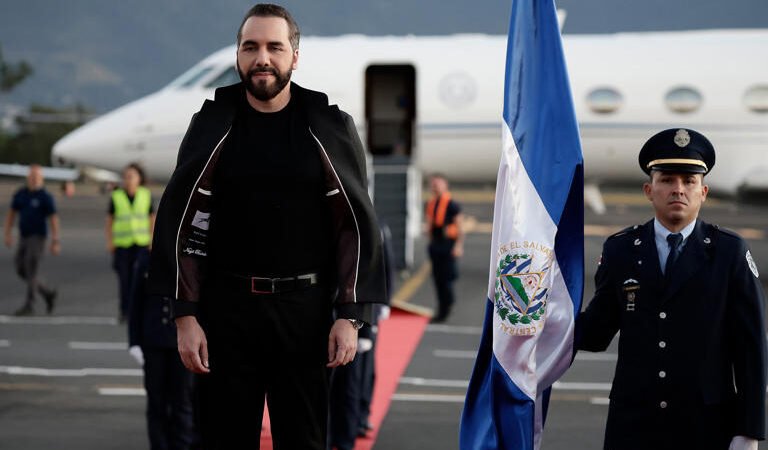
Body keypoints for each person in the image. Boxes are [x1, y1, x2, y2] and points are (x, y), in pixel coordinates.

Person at [147, 4, 388, 449]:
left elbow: (352, 226)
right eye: (250, 47)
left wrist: (351, 316)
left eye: (275, 47)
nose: (263, 58)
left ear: (294, 56)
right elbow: (185, 226)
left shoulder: (329, 126)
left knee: (304, 440)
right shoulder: (210, 126)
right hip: (225, 314)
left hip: (306, 313)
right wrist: (185, 316)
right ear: (238, 56)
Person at [577, 128, 766, 450]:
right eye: (667, 180)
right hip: (635, 425)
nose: (678, 189)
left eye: (688, 181)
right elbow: (596, 332)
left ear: (703, 192)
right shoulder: (621, 250)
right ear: (649, 190)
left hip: (706, 425)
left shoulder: (728, 252)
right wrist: (532, 318)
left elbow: (751, 349)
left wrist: (748, 431)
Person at [129, 264, 197, 450]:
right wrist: (134, 341)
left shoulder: (189, 259)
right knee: (156, 401)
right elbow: (135, 303)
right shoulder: (146, 261)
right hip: (154, 342)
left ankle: (181, 445)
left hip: (182, 342)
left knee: (182, 400)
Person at [3, 164, 59, 316]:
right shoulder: (21, 194)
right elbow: (11, 213)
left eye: (37, 177)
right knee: (21, 268)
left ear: (42, 179)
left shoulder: (45, 197)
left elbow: (53, 218)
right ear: (28, 178)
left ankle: (30, 304)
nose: (34, 179)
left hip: (37, 237)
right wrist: (7, 233)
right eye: (32, 176)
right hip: (24, 236)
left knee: (31, 267)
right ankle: (47, 292)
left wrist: (55, 240)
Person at [106, 163, 155, 323]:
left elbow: (152, 218)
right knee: (124, 279)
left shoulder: (145, 195)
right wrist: (110, 241)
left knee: (140, 279)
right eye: (126, 176)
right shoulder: (116, 196)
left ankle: (140, 311)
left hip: (141, 244)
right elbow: (110, 221)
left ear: (139, 179)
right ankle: (125, 311)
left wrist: (152, 239)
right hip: (122, 244)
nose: (128, 180)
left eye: (131, 176)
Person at [425, 173, 464, 323]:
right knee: (437, 278)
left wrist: (458, 246)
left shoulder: (452, 205)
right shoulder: (431, 204)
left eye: (438, 183)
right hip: (436, 245)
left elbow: (460, 227)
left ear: (445, 185)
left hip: (448, 245)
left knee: (447, 278)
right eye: (433, 184)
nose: (434, 186)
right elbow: (430, 225)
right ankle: (442, 307)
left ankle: (447, 306)